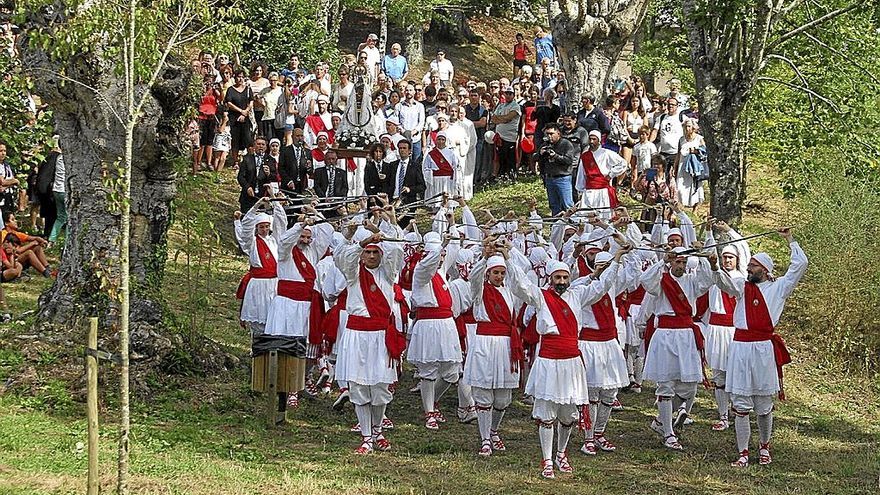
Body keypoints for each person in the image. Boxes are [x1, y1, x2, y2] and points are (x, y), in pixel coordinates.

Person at [505, 253, 618, 479]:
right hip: (548, 360)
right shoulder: (540, 296)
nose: (562, 281)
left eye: (565, 277)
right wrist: (508, 257)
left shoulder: (578, 295)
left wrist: (617, 260)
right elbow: (519, 285)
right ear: (550, 278)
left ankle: (561, 453)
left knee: (568, 414)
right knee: (547, 412)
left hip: (572, 362)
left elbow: (603, 285)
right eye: (557, 277)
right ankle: (546, 458)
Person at [714, 229, 807, 467]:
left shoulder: (780, 288)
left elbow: (800, 264)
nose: (748, 269)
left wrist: (789, 240)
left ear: (765, 270)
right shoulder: (741, 287)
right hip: (741, 349)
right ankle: (743, 452)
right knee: (742, 402)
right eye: (749, 265)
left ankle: (764, 447)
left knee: (764, 403)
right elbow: (723, 281)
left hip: (764, 349)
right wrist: (713, 266)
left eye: (753, 266)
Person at [335, 220, 406, 454]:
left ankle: (377, 431)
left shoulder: (388, 274)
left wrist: (379, 232)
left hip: (380, 337)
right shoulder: (353, 274)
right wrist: (362, 241)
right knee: (358, 386)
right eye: (368, 252)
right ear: (362, 253)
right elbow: (343, 257)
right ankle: (366, 436)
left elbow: (397, 250)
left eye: (376, 252)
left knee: (380, 387)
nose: (372, 256)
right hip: (357, 336)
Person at [640, 247, 720, 451]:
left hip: (686, 336)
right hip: (666, 335)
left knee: (688, 387)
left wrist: (707, 259)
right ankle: (668, 432)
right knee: (665, 385)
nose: (681, 266)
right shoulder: (661, 281)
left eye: (684, 262)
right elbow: (646, 281)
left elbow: (707, 280)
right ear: (670, 262)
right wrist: (662, 261)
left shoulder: (691, 281)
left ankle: (660, 421)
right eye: (677, 262)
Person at [464, 247, 522, 456]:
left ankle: (494, 430)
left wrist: (508, 255)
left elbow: (521, 278)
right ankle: (485, 438)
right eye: (495, 272)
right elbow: (473, 278)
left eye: (502, 272)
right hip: (485, 344)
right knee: (484, 395)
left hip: (506, 344)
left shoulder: (510, 291)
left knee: (503, 399)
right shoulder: (479, 290)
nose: (499, 276)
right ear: (488, 273)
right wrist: (485, 257)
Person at [576, 248, 632, 455]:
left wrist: (624, 252)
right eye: (600, 265)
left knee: (610, 392)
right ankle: (588, 437)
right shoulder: (581, 285)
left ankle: (599, 432)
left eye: (607, 265)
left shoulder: (611, 284)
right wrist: (596, 274)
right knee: (592, 392)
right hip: (590, 344)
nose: (604, 269)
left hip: (609, 343)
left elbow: (633, 272)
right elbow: (591, 287)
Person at [408, 230, 464, 430]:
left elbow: (454, 250)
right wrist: (440, 246)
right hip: (429, 325)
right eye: (439, 255)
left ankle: (435, 401)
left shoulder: (441, 272)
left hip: (446, 324)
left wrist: (451, 233)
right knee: (428, 370)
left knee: (452, 372)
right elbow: (427, 265)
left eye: (442, 257)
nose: (441, 259)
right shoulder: (420, 274)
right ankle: (429, 411)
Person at [702, 223, 750, 432]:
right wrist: (708, 232)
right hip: (715, 329)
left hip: (733, 330)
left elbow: (744, 248)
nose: (727, 261)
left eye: (731, 257)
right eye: (724, 258)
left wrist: (728, 230)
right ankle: (723, 415)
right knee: (719, 374)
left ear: (737, 259)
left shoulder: (742, 279)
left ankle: (737, 407)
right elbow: (708, 255)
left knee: (735, 372)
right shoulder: (715, 276)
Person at [234, 199, 285, 336]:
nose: (265, 230)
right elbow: (245, 230)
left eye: (267, 226)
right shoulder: (252, 243)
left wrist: (276, 202)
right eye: (261, 227)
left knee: (273, 317)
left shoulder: (274, 241)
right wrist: (257, 205)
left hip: (274, 283)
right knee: (258, 317)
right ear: (257, 228)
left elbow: (281, 223)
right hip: (258, 284)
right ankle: (257, 346)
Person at [574, 130, 628, 218]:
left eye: (594, 139)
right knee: (587, 216)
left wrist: (611, 174)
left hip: (603, 190)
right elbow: (581, 174)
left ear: (599, 140)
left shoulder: (606, 153)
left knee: (603, 215)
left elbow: (623, 163)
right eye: (590, 139)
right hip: (589, 190)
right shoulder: (585, 156)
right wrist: (580, 190)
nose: (591, 142)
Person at [538, 123, 578, 215]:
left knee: (568, 205)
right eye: (547, 134)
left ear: (558, 133)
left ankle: (573, 225)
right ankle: (556, 225)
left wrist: (556, 156)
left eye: (551, 134)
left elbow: (569, 160)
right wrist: (540, 153)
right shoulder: (545, 144)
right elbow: (535, 157)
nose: (549, 136)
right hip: (549, 178)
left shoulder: (566, 144)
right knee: (554, 205)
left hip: (563, 178)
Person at [224, 69, 255, 166]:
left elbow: (251, 101)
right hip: (234, 118)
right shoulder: (230, 89)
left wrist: (245, 112)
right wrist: (240, 111)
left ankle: (250, 160)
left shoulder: (248, 89)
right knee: (235, 140)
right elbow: (228, 102)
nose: (240, 79)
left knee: (248, 139)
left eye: (242, 77)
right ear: (235, 77)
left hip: (245, 118)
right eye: (238, 76)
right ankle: (235, 161)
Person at [674, 118, 707, 209]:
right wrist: (675, 167)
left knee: (695, 186)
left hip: (694, 167)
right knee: (680, 187)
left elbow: (705, 153)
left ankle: (695, 208)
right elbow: (678, 154)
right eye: (685, 126)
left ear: (693, 127)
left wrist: (695, 151)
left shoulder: (699, 139)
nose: (686, 128)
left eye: (688, 126)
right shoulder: (681, 139)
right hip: (682, 167)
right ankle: (682, 206)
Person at [491, 86, 521, 180]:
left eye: (510, 94)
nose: (508, 95)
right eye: (506, 93)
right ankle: (502, 176)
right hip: (500, 137)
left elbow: (509, 117)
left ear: (513, 95)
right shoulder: (500, 105)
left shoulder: (515, 106)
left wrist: (501, 118)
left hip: (510, 137)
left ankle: (512, 176)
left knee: (510, 158)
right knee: (501, 157)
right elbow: (493, 119)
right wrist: (503, 119)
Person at [650, 97, 684, 177]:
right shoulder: (661, 118)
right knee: (661, 175)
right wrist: (649, 143)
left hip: (676, 153)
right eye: (668, 104)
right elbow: (655, 131)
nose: (670, 106)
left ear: (677, 106)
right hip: (663, 152)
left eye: (672, 104)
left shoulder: (682, 118)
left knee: (675, 176)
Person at [237, 136, 273, 212]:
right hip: (248, 196)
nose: (261, 146)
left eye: (263, 145)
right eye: (258, 144)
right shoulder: (247, 159)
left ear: (266, 147)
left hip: (263, 197)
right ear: (254, 146)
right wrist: (247, 187)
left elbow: (275, 178)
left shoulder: (270, 160)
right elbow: (240, 176)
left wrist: (269, 174)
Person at [386, 139, 425, 205]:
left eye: (404, 148)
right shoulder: (392, 165)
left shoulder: (415, 166)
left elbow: (422, 186)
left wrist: (410, 189)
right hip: (392, 201)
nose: (402, 150)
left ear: (409, 150)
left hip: (408, 202)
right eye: (400, 148)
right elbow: (387, 183)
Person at [196, 74, 221, 173]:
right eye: (208, 81)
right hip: (202, 116)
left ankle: (209, 162)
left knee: (210, 141)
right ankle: (198, 162)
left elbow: (221, 98)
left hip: (211, 117)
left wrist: (216, 89)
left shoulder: (214, 92)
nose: (209, 84)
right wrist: (203, 89)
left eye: (211, 82)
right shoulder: (201, 91)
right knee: (202, 141)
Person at [422, 132, 459, 199]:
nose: (441, 141)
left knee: (447, 198)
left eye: (443, 139)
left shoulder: (451, 153)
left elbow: (455, 166)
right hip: (435, 180)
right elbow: (425, 167)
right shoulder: (431, 154)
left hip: (447, 180)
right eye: (439, 139)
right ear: (436, 140)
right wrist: (432, 172)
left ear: (445, 141)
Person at [395, 84, 426, 161]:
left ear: (414, 92)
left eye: (410, 90)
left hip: (415, 139)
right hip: (402, 138)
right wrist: (403, 131)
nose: (408, 92)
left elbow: (421, 122)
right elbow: (396, 121)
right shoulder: (398, 106)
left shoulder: (420, 106)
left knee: (416, 161)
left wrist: (413, 131)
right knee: (403, 160)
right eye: (407, 90)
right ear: (404, 92)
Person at [278, 127, 310, 194]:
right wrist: (288, 181)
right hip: (288, 185)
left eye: (301, 136)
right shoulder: (285, 150)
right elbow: (281, 168)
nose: (300, 138)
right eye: (297, 136)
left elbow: (310, 172)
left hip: (301, 187)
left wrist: (309, 167)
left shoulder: (307, 152)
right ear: (292, 137)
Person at [0, 142, 20, 223]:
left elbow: (16, 182)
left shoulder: (7, 165)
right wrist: (14, 181)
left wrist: (13, 182)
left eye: (4, 150)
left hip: (8, 197)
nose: (3, 153)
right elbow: (2, 182)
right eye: (0, 151)